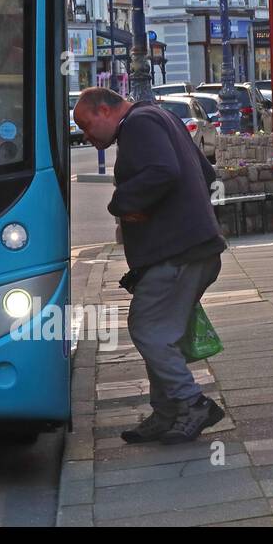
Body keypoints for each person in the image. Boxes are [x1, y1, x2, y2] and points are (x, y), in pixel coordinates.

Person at [73, 87, 228, 445]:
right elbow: (205, 174)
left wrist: (121, 203)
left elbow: (162, 172)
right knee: (163, 333)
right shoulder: (162, 117)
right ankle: (166, 412)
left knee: (147, 329)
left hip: (176, 253)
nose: (85, 136)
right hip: (195, 248)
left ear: (104, 111)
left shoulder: (138, 124)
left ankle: (192, 403)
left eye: (85, 125)